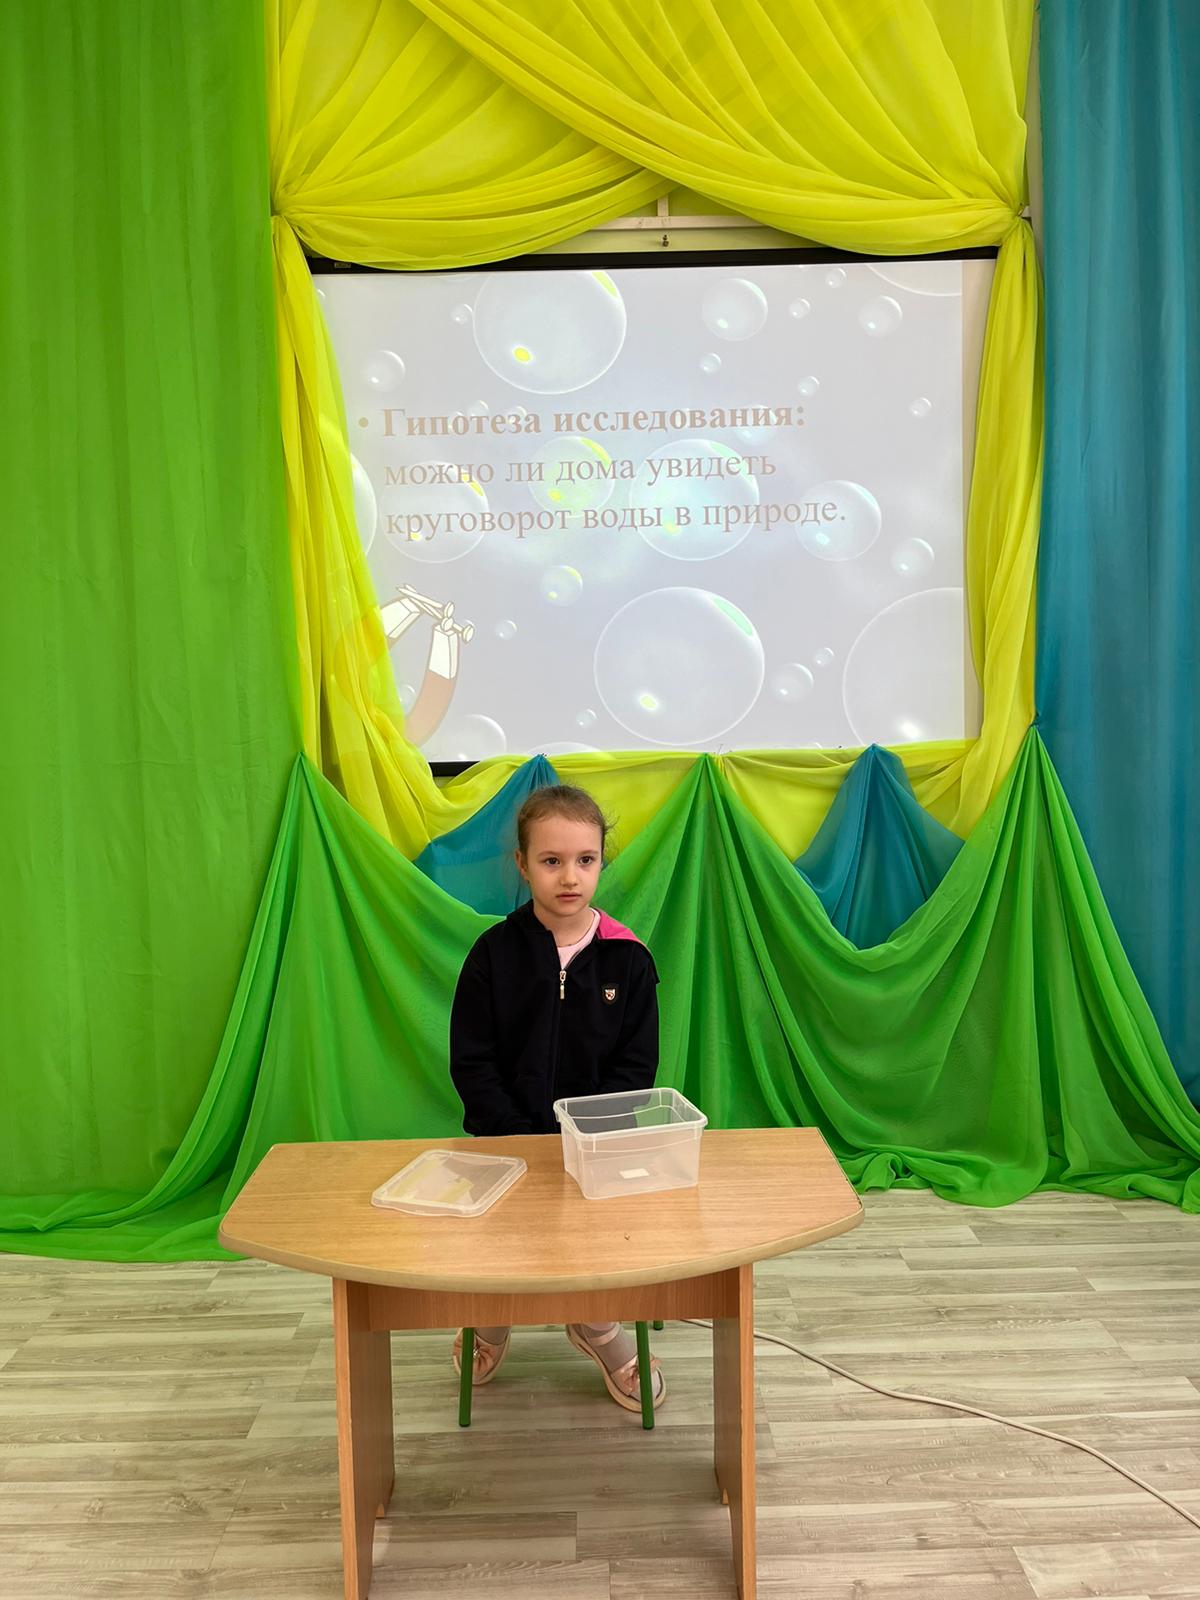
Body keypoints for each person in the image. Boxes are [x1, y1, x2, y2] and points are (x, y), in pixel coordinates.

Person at [448, 782, 666, 1412]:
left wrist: (584, 1137)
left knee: (594, 1240)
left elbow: (635, 1068)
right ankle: (493, 1318)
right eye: (551, 860)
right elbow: (472, 1060)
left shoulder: (629, 959)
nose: (570, 876)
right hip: (506, 1143)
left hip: (594, 1147)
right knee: (502, 1243)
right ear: (523, 865)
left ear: (600, 862)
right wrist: (516, 1135)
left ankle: (596, 1325)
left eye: (585, 859)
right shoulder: (492, 955)